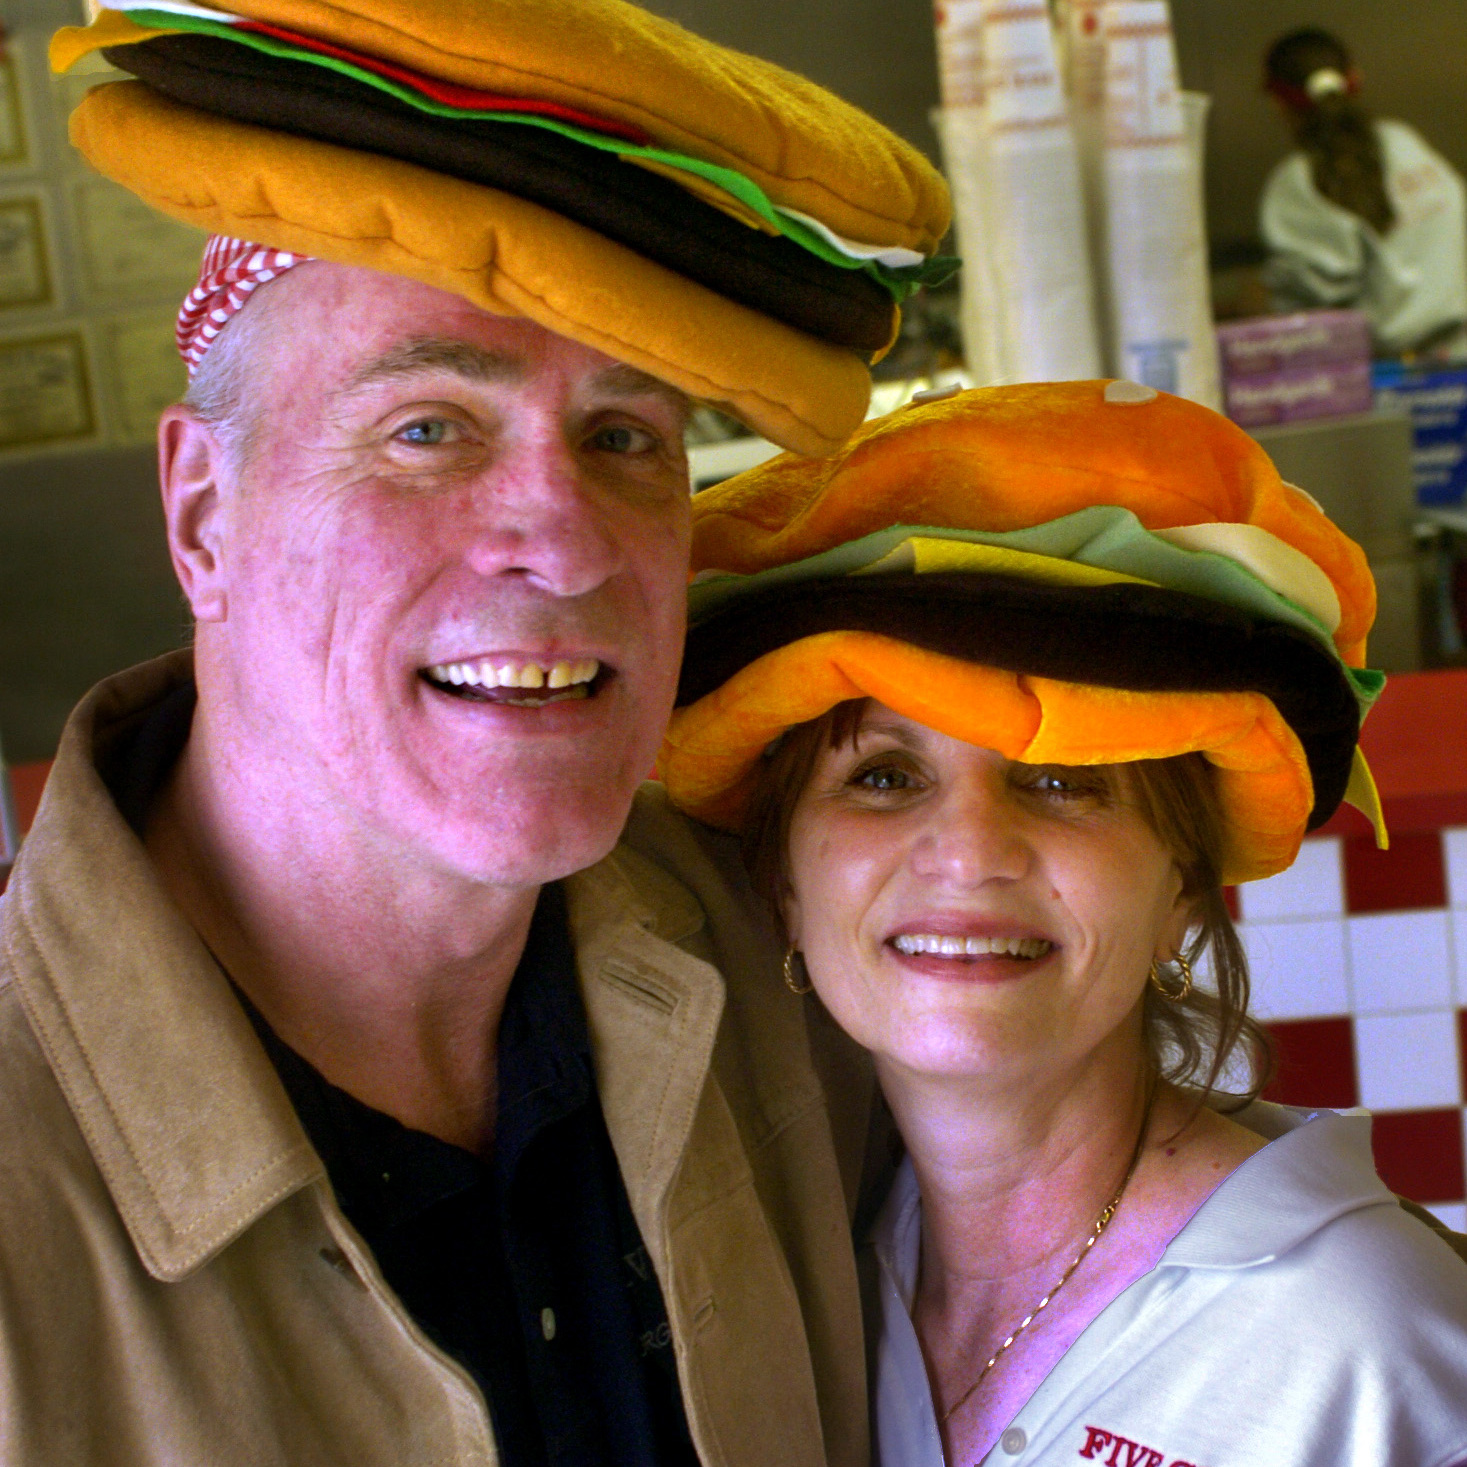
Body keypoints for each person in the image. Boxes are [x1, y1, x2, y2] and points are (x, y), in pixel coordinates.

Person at [0, 2, 951, 1463]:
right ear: (204, 516)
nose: (565, 547)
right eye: (427, 427)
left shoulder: (780, 959)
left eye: (625, 436)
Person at [659, 380, 1467, 1465]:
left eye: (1061, 781)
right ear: (785, 887)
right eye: (887, 777)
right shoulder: (794, 1297)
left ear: (1184, 881)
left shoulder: (1366, 1342)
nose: (970, 850)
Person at [1260, 27, 1467, 358]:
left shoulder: (1296, 182)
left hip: (1375, 381)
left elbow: (1313, 297)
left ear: (1277, 101)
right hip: (1458, 362)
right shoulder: (1405, 142)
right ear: (1355, 79)